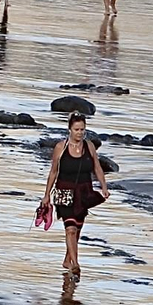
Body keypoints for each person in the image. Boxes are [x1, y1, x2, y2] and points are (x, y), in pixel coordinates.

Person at [41, 112, 108, 277]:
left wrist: (104, 187)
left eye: (82, 130)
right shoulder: (60, 147)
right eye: (77, 129)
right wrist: (46, 195)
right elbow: (53, 172)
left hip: (84, 192)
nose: (80, 133)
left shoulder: (89, 146)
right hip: (65, 192)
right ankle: (75, 264)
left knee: (77, 229)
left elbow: (97, 168)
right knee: (70, 228)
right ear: (69, 129)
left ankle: (67, 259)